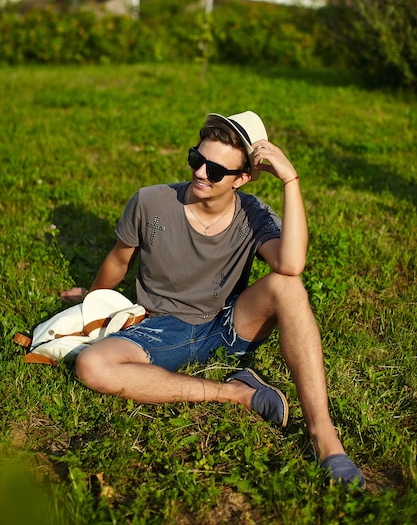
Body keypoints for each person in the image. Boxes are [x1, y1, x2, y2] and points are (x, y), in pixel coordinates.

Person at [62, 111, 364, 488]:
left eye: (217, 170)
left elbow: (291, 263)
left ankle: (324, 437)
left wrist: (290, 179)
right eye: (197, 160)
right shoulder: (151, 202)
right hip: (161, 328)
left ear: (242, 178)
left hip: (227, 324)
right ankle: (235, 393)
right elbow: (119, 258)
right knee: (91, 366)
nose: (202, 173)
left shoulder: (253, 215)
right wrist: (94, 298)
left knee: (288, 285)